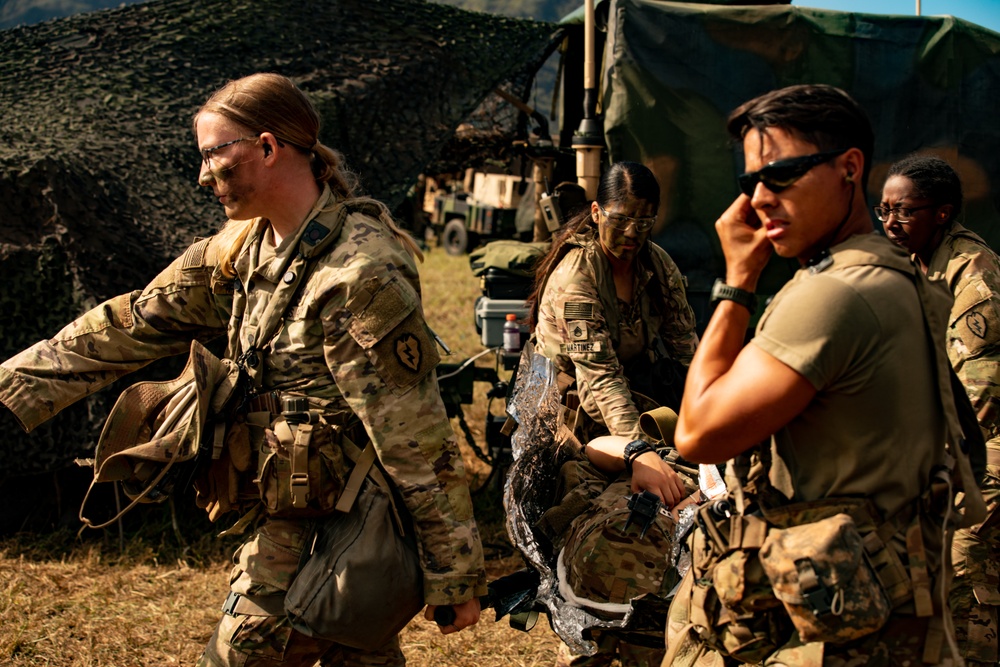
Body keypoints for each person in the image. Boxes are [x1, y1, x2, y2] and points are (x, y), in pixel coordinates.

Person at [0, 72, 485, 667]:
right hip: (287, 511)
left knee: (242, 654)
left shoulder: (360, 273)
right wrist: (12, 385)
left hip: (346, 525)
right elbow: (132, 323)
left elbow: (416, 436)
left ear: (268, 147)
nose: (204, 175)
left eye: (213, 155)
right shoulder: (240, 251)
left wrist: (454, 572)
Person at [663, 84, 983, 665]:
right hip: (872, 608)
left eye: (781, 174)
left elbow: (698, 433)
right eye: (749, 182)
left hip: (834, 630)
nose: (759, 199)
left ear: (849, 168)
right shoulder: (891, 272)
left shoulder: (835, 294)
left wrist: (737, 282)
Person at [524, 161, 700, 667]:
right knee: (594, 505)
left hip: (636, 404)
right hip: (571, 415)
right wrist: (639, 451)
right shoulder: (577, 277)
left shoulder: (657, 264)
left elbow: (689, 352)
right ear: (597, 212)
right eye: (620, 219)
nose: (630, 234)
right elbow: (597, 377)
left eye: (644, 223)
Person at [878, 154, 1000, 666]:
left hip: (984, 447)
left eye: (902, 212)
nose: (888, 223)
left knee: (963, 562)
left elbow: (978, 404)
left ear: (943, 213)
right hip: (938, 442)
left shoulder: (976, 281)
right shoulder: (911, 265)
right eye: (882, 210)